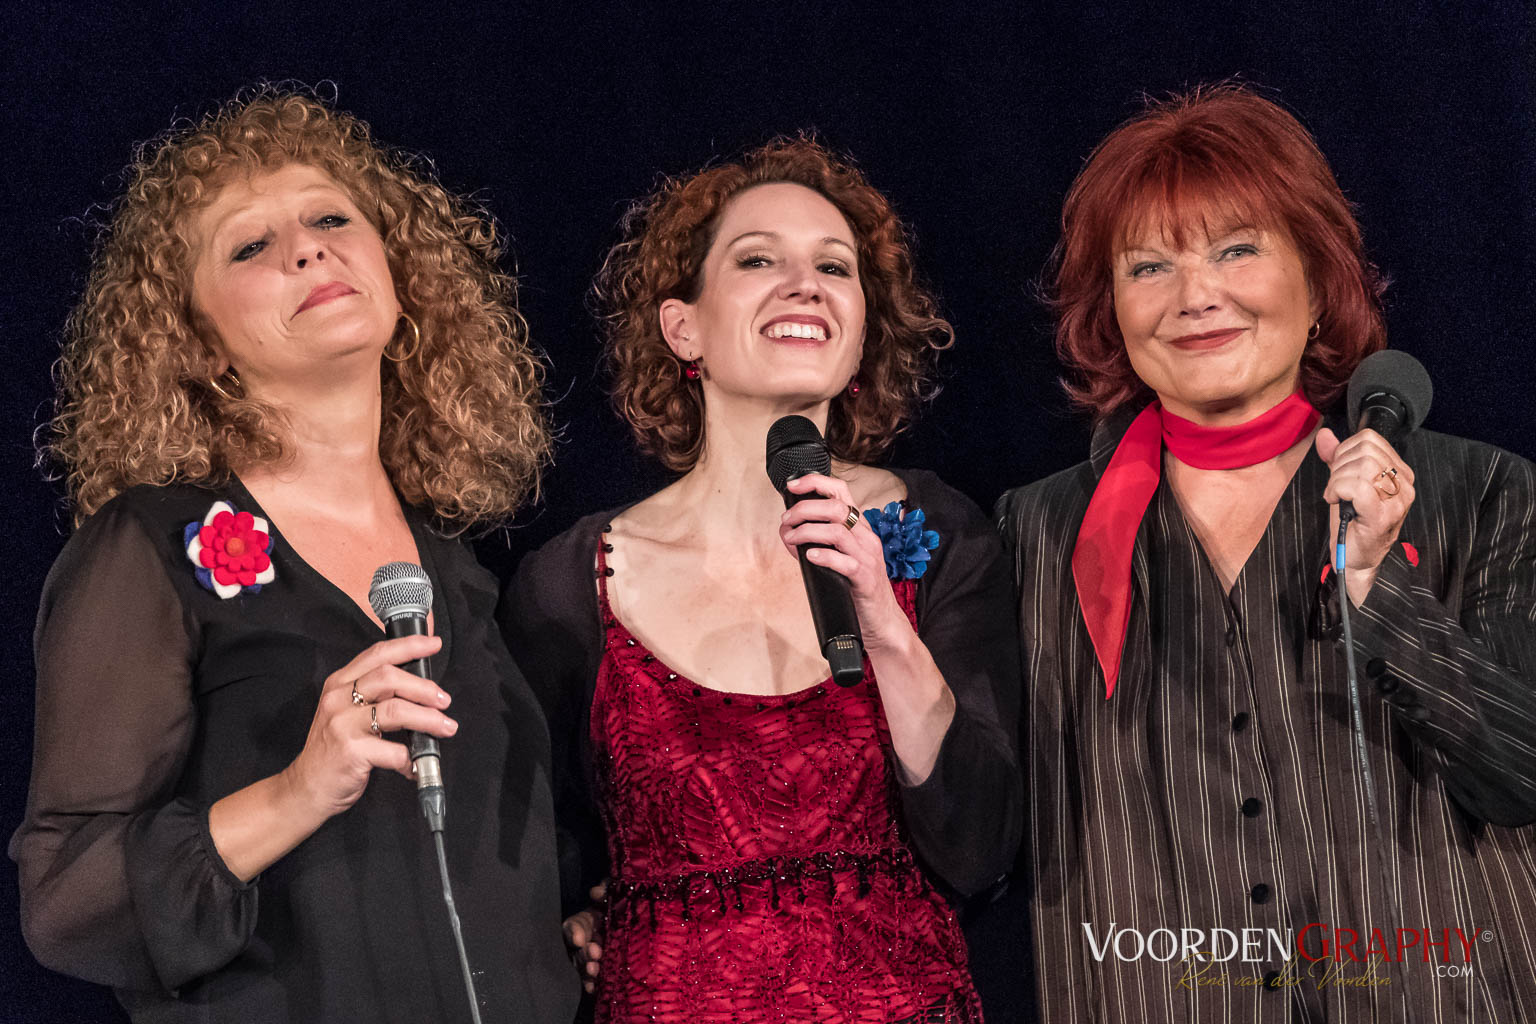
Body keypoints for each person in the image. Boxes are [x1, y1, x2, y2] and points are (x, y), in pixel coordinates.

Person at [10, 89, 577, 1024]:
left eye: (330, 219)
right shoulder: (148, 549)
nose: (308, 249)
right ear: (200, 346)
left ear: (401, 278)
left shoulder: (457, 572)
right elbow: (67, 897)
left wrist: (570, 921)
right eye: (250, 247)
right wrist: (296, 792)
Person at [993, 84, 1536, 1022]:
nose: (1195, 295)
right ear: (1112, 310)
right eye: (1148, 266)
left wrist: (1378, 586)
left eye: (1236, 249)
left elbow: (1520, 771)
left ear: (1319, 284)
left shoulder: (1483, 491)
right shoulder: (1033, 533)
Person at [501, 137, 1022, 1023]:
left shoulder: (939, 533)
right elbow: (537, 857)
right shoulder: (571, 585)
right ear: (684, 329)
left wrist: (884, 625)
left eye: (834, 267)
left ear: (860, 336)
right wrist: (572, 924)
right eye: (757, 260)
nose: (805, 285)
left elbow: (981, 849)